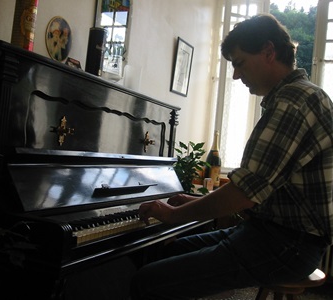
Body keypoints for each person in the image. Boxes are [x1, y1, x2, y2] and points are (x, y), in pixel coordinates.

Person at [130, 13, 333, 300]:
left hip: (288, 246)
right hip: (270, 235)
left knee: (147, 282)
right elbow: (260, 191)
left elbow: (244, 193)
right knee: (169, 251)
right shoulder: (299, 96)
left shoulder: (293, 103)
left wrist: (174, 214)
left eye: (239, 63)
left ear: (268, 52)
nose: (236, 75)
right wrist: (198, 203)